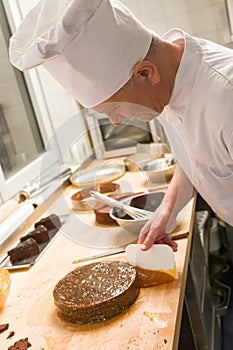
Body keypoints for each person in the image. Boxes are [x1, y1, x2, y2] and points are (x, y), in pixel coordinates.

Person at [9, 0, 233, 252]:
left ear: (146, 73)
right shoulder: (166, 82)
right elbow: (197, 155)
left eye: (114, 108)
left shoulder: (226, 101)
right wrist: (166, 211)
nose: (115, 121)